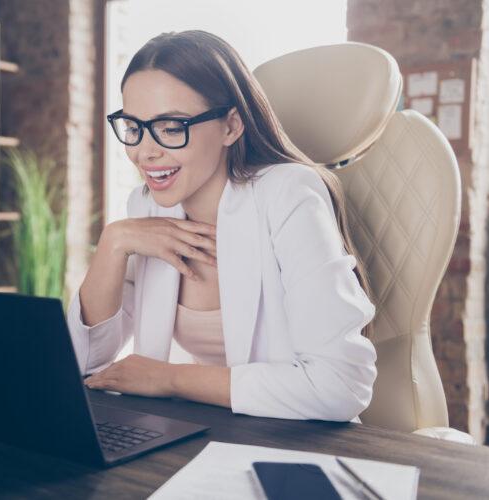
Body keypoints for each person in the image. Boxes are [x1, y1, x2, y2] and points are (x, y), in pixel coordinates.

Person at [66, 30, 377, 422]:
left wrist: (171, 379)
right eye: (133, 126)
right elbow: (85, 363)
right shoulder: (145, 208)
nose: (144, 151)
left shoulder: (288, 195)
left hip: (293, 445)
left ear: (231, 126)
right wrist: (114, 241)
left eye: (171, 127)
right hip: (198, 434)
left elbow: (341, 386)